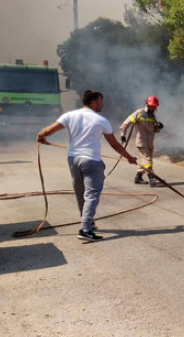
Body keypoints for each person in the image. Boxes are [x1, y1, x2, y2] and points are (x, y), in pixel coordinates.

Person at [36, 90, 137, 241]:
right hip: (91, 161)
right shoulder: (101, 120)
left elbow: (48, 130)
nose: (102, 104)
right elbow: (114, 144)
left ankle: (87, 222)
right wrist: (129, 157)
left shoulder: (69, 116)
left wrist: (40, 136)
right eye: (101, 101)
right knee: (91, 194)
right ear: (94, 102)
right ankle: (85, 230)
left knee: (80, 192)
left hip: (73, 159)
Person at [119, 95, 164, 187]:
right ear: (147, 104)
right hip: (141, 142)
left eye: (154, 106)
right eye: (151, 105)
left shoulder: (153, 117)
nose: (153, 108)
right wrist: (123, 135)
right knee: (148, 160)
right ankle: (151, 178)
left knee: (145, 161)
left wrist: (159, 127)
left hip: (150, 143)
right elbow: (126, 123)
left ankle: (138, 177)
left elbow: (154, 130)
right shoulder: (139, 113)